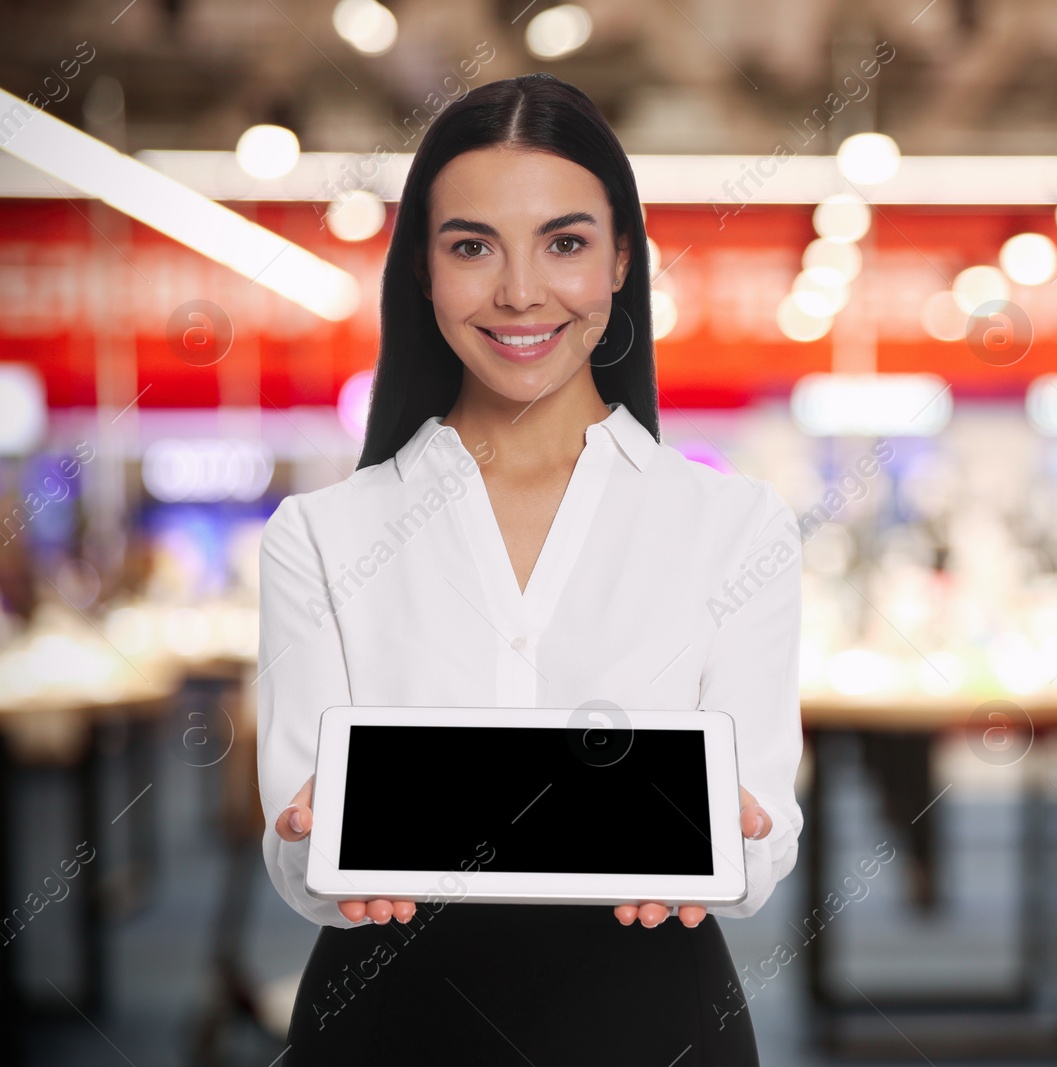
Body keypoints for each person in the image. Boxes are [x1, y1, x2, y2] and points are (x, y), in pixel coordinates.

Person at [256, 73, 804, 1065]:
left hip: (652, 1021)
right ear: (422, 269)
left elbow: (762, 829)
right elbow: (299, 855)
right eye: (472, 246)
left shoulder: (734, 525)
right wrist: (312, 842)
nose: (519, 291)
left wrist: (735, 838)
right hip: (388, 1018)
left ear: (621, 260)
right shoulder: (322, 533)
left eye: (565, 242)